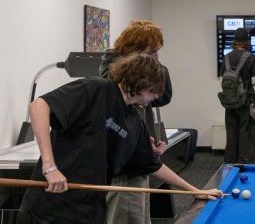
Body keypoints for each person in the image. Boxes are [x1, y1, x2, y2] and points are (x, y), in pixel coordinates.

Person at [18, 54, 223, 223]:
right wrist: (50, 167)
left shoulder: (134, 121)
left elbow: (153, 165)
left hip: (90, 211)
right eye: (154, 93)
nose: (155, 98)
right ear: (143, 84)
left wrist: (194, 191)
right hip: (50, 207)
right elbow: (39, 106)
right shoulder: (96, 89)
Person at [99, 19, 172, 224]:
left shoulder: (138, 72)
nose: (157, 58)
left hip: (139, 154)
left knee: (140, 217)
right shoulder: (117, 77)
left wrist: (152, 63)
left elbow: (164, 97)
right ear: (134, 52)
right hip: (126, 163)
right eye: (151, 53)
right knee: (129, 216)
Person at [219, 28, 255, 164]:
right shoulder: (251, 57)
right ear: (247, 42)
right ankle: (246, 163)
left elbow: (222, 80)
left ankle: (230, 163)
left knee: (231, 134)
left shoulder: (227, 57)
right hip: (246, 102)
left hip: (229, 102)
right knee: (246, 134)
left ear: (234, 41)